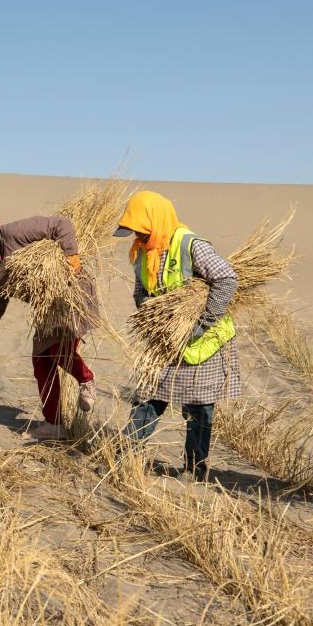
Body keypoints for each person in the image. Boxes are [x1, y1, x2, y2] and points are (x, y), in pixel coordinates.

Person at [115, 191, 241, 482]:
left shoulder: (190, 244)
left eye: (141, 231)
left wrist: (201, 323)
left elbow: (226, 279)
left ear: (155, 221)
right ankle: (123, 460)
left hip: (203, 341)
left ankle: (194, 471)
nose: (137, 237)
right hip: (166, 340)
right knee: (148, 397)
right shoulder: (141, 253)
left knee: (198, 407)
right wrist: (151, 312)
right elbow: (140, 291)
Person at [0, 212, 97, 440]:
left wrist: (71, 255)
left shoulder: (15, 233)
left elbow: (60, 224)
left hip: (73, 293)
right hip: (48, 307)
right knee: (42, 360)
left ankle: (86, 380)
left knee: (58, 350)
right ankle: (54, 424)